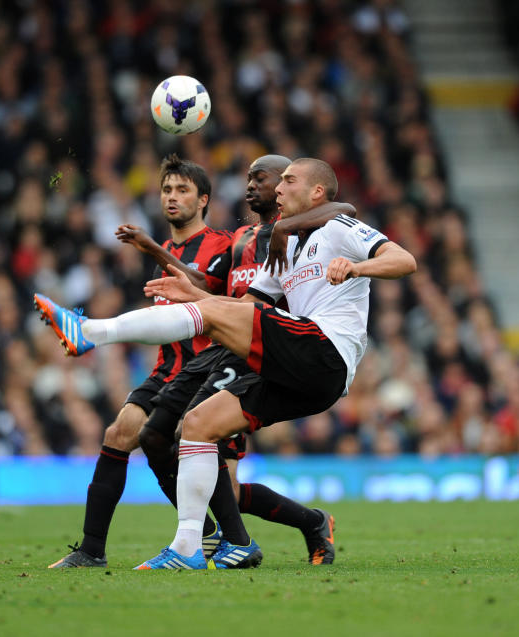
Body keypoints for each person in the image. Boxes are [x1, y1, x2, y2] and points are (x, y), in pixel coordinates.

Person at [36, 158, 416, 569]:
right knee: (199, 425)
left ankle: (89, 331)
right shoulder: (282, 246)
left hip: (325, 349)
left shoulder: (338, 229)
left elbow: (403, 260)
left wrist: (357, 266)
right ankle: (187, 549)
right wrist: (194, 294)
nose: (280, 189)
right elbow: (242, 308)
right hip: (300, 373)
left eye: (288, 181)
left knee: (210, 351)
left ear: (317, 193)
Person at [122, 155, 351, 567]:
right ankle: (233, 535)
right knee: (165, 438)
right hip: (221, 344)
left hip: (260, 350)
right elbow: (206, 287)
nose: (253, 186)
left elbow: (343, 209)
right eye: (250, 178)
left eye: (263, 179)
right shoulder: (241, 238)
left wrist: (284, 227)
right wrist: (156, 251)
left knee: (206, 456)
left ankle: (230, 539)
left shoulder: (303, 232)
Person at [34, 154, 232, 568]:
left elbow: (208, 290)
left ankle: (237, 531)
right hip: (167, 367)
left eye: (182, 190)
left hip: (207, 366)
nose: (172, 197)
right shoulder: (171, 248)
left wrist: (153, 249)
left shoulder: (222, 245)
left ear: (204, 200)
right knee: (118, 432)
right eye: (166, 189)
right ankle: (91, 550)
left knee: (209, 469)